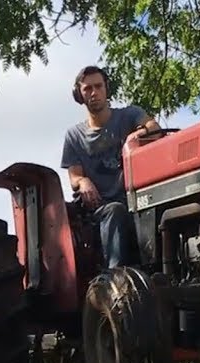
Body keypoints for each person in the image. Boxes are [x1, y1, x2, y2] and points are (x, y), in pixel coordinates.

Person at [61, 65, 160, 269]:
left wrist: (139, 134)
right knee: (115, 211)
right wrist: (83, 180)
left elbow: (154, 128)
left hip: (136, 200)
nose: (94, 92)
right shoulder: (74, 136)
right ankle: (116, 278)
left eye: (98, 86)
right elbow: (74, 177)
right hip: (101, 208)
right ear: (79, 94)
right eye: (87, 88)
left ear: (107, 89)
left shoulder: (129, 115)